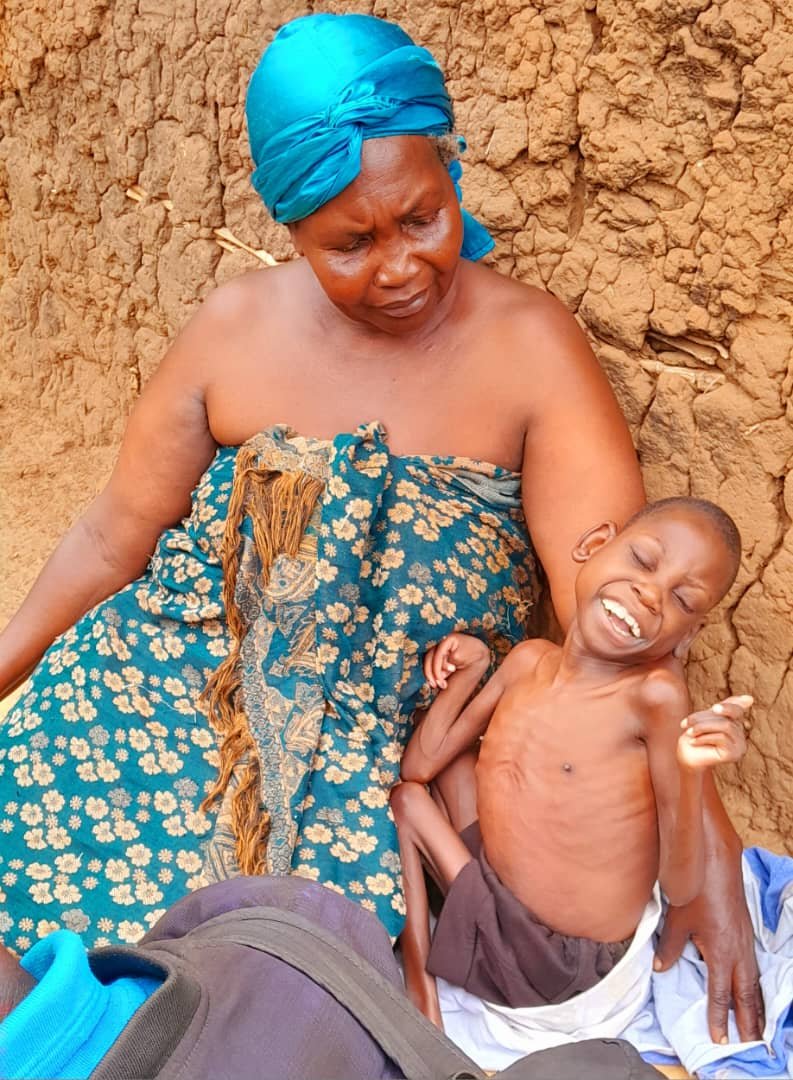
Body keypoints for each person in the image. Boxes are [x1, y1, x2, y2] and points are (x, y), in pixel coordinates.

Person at [0, 12, 759, 1042]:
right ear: (290, 228)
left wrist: (706, 870)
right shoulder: (235, 328)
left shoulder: (531, 348)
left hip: (370, 746)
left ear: (452, 176)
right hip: (166, 678)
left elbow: (616, 627)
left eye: (421, 219)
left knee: (289, 985)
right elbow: (109, 538)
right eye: (348, 245)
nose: (398, 266)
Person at [391, 498, 751, 1030]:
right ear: (593, 546)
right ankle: (442, 963)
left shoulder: (654, 697)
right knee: (444, 773)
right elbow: (423, 763)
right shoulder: (527, 660)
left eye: (681, 599)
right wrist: (472, 673)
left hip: (552, 965)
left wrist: (693, 771)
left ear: (687, 636)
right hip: (500, 901)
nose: (648, 595)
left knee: (405, 803)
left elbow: (678, 889)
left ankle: (421, 998)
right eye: (643, 562)